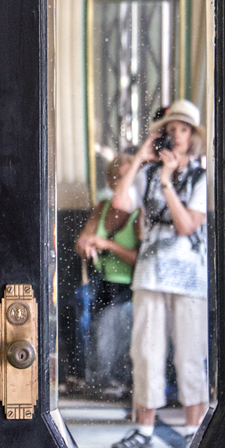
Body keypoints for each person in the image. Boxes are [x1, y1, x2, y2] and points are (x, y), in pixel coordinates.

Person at [110, 99, 209, 448]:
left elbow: (186, 226)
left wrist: (167, 182)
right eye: (171, 129)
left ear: (193, 135)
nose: (177, 136)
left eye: (183, 129)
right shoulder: (147, 173)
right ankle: (145, 428)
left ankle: (193, 428)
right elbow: (120, 204)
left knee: (189, 353)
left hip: (189, 278)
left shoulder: (202, 175)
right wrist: (140, 158)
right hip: (151, 274)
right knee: (146, 352)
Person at [74, 153, 139, 395]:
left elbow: (139, 259)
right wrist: (86, 245)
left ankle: (116, 382)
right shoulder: (102, 208)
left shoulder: (139, 213)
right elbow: (82, 240)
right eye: (114, 177)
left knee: (111, 329)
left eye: (123, 177)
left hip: (129, 287)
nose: (118, 182)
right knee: (93, 328)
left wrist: (108, 245)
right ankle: (100, 382)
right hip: (102, 283)